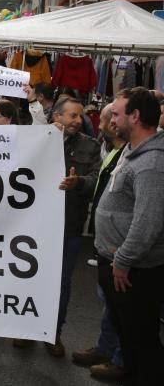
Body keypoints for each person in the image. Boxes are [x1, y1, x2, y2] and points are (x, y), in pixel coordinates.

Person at [15, 96, 99, 357]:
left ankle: (53, 333)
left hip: (67, 227)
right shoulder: (34, 139)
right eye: (72, 115)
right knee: (26, 278)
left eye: (80, 116)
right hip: (30, 225)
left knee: (60, 282)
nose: (78, 120)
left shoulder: (90, 146)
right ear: (57, 117)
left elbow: (96, 179)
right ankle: (26, 329)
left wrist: (79, 183)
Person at [95, 87, 164, 385]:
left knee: (142, 338)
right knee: (129, 332)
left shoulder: (151, 164)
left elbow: (148, 222)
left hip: (133, 269)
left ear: (135, 117)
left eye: (118, 114)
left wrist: (122, 260)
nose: (112, 119)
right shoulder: (130, 149)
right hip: (117, 261)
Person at [72, 103, 126, 382]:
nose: (101, 124)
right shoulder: (116, 152)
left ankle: (120, 358)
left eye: (107, 119)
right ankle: (106, 349)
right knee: (110, 303)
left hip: (121, 248)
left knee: (122, 306)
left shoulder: (132, 156)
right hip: (108, 244)